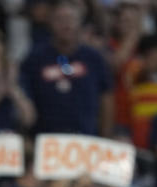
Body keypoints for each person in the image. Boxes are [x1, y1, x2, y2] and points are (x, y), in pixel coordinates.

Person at [19, 0, 113, 137]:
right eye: (60, 20)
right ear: (50, 22)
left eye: (71, 19)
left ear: (80, 23)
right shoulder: (34, 59)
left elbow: (106, 97)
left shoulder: (93, 57)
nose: (66, 25)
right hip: (47, 140)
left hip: (86, 138)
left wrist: (106, 136)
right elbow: (27, 100)